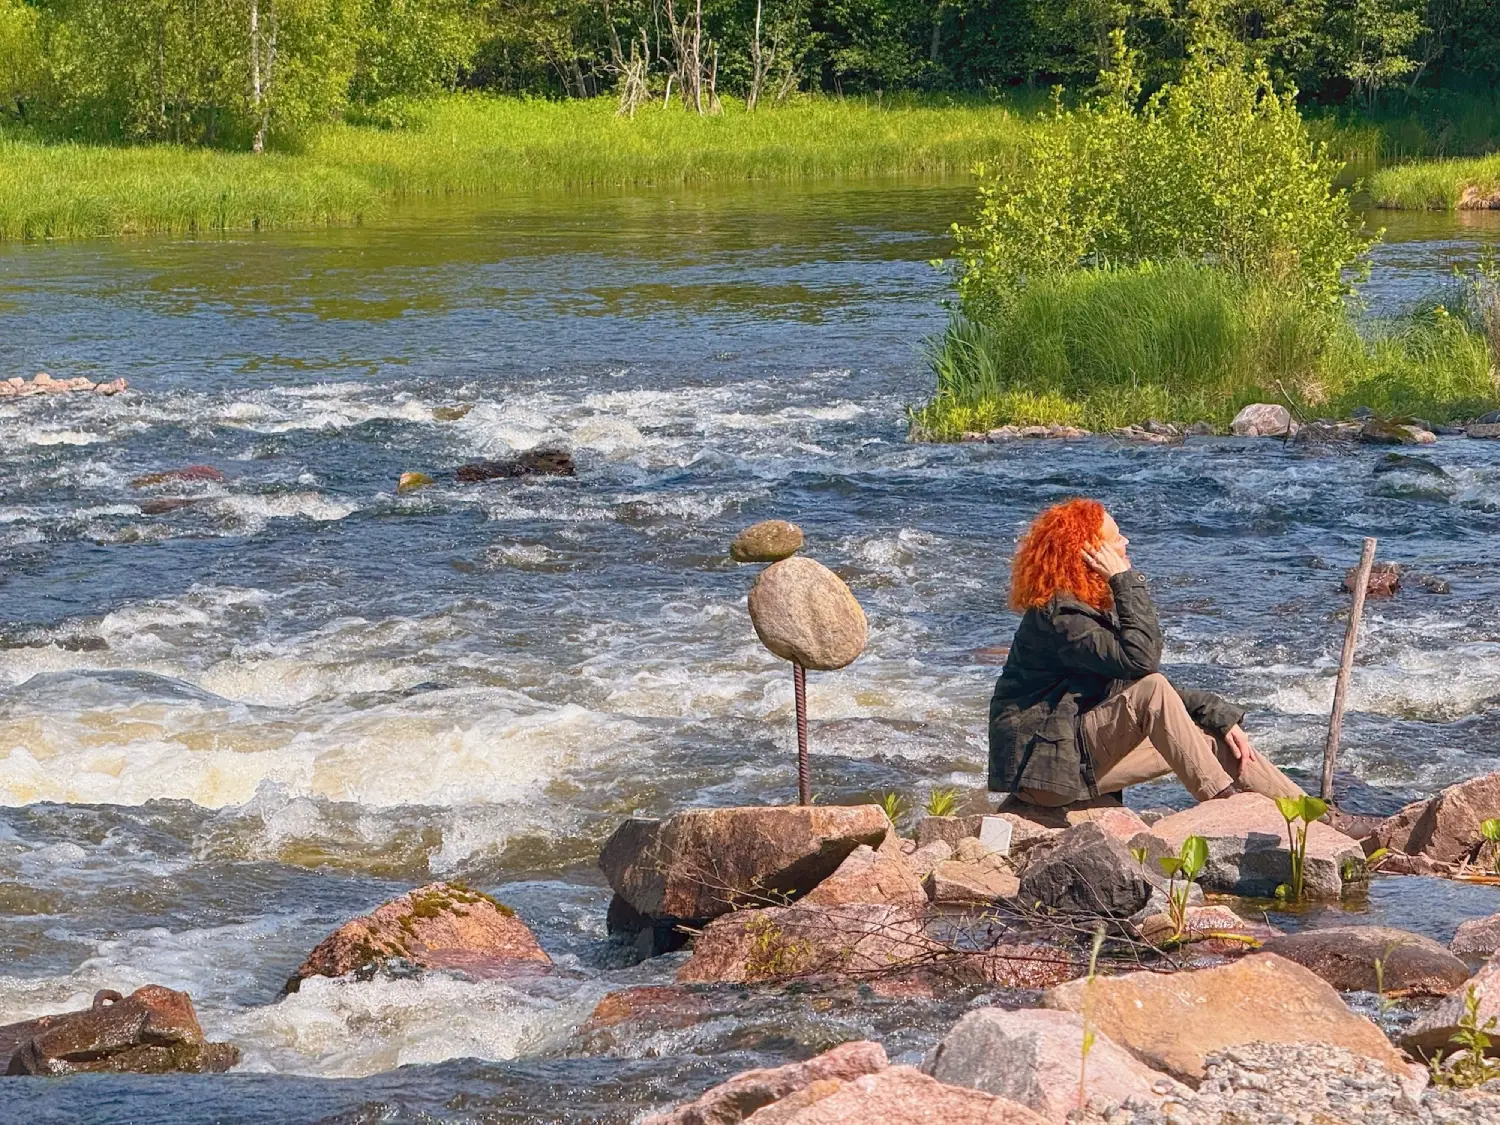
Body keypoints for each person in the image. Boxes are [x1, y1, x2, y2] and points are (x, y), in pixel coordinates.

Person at [988, 497, 1304, 808]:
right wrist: (1124, 582)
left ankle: (1316, 818)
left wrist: (1218, 715)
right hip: (1043, 771)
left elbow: (1127, 681)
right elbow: (1142, 662)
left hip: (1067, 762)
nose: (1126, 541)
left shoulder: (1086, 609)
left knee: (1213, 743)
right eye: (1116, 537)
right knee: (1152, 689)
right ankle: (1223, 806)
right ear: (1090, 555)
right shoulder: (1061, 615)